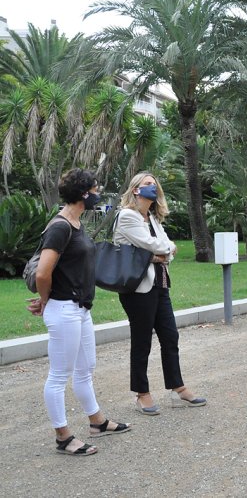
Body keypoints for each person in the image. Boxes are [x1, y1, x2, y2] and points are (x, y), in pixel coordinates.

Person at [27, 168, 131, 456]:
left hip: (80, 308)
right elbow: (43, 273)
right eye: (96, 190)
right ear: (85, 194)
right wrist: (46, 300)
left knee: (86, 369)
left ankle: (96, 422)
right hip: (64, 309)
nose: (98, 194)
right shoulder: (60, 227)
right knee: (59, 375)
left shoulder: (76, 222)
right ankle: (62, 437)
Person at [113, 172, 206, 414]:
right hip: (138, 288)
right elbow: (154, 245)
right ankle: (142, 394)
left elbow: (168, 249)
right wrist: (160, 252)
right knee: (142, 340)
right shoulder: (127, 217)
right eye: (147, 184)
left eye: (154, 185)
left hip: (160, 283)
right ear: (135, 190)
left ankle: (177, 387)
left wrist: (161, 254)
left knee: (170, 336)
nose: (152, 188)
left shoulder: (152, 218)